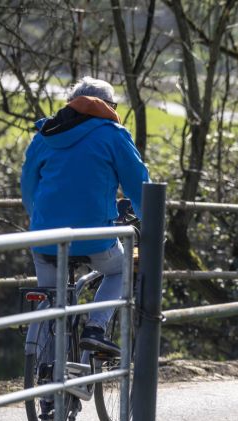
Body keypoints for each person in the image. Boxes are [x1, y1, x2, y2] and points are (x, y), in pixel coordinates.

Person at [21, 76, 149, 353]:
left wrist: (38, 218)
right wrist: (149, 220)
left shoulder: (46, 134)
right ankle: (95, 327)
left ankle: (43, 379)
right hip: (95, 238)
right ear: (109, 105)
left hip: (45, 238)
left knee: (50, 299)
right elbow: (139, 185)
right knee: (121, 270)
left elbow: (28, 185)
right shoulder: (113, 135)